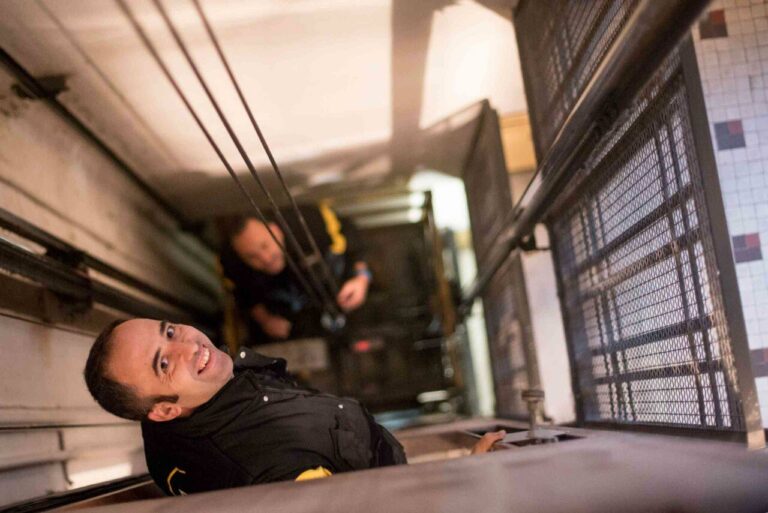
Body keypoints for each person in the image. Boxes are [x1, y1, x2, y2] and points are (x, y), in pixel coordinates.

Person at [83, 318, 505, 496]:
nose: (188, 345)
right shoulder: (269, 471)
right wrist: (466, 475)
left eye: (170, 331)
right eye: (162, 362)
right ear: (163, 410)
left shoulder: (174, 416)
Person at [219, 204, 371, 343]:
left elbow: (352, 238)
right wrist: (266, 320)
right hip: (290, 319)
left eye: (265, 246)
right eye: (252, 256)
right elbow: (241, 294)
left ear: (276, 230)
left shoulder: (311, 221)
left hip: (336, 291)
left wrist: (361, 278)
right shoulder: (230, 260)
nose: (265, 259)